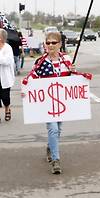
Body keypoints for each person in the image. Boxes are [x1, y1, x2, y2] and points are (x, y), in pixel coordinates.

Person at [21, 31, 87, 174]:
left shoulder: (66, 60)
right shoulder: (41, 62)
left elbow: (73, 80)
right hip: (47, 103)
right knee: (53, 129)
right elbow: (31, 79)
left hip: (62, 102)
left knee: (58, 129)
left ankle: (51, 147)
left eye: (53, 42)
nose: (50, 45)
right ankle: (56, 161)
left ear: (60, 44)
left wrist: (74, 71)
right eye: (48, 42)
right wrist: (25, 90)